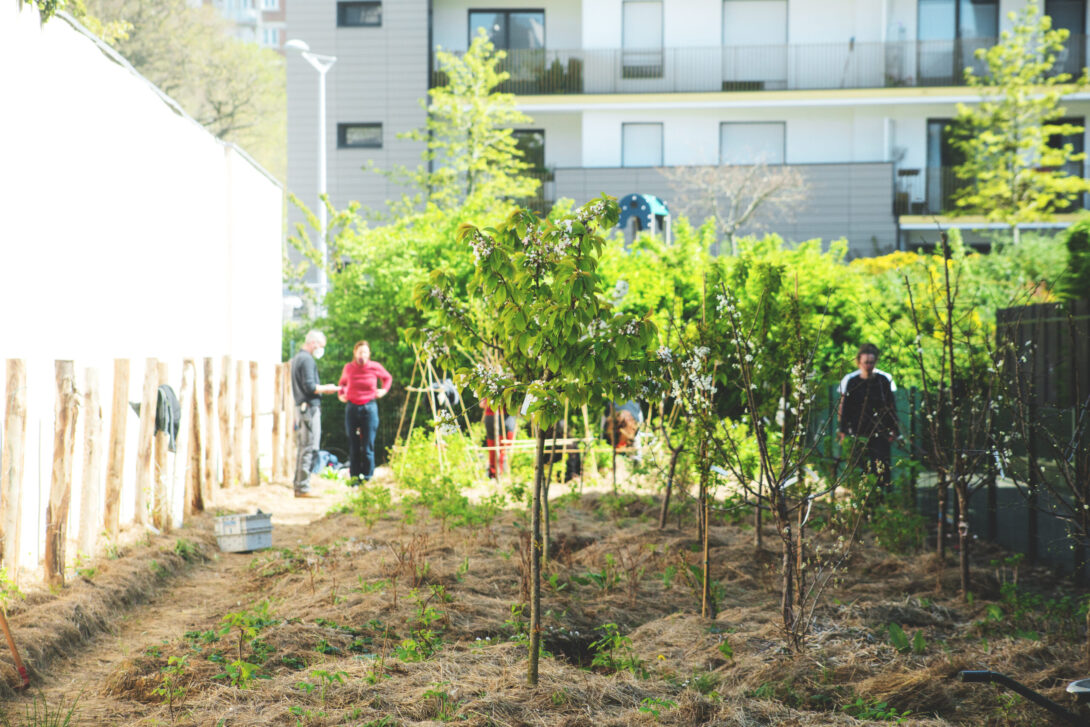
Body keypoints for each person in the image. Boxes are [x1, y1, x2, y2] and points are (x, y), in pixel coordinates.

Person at [838, 343, 899, 490]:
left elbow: (890, 407)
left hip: (880, 433)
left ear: (875, 362)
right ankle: (862, 503)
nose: (868, 365)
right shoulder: (852, 382)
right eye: (866, 362)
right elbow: (845, 408)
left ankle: (881, 500)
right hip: (858, 433)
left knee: (881, 467)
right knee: (860, 469)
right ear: (859, 362)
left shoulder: (883, 381)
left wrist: (894, 429)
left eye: (871, 362)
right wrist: (843, 430)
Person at [291, 330, 340, 497]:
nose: (321, 349)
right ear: (314, 343)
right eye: (321, 346)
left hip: (302, 408)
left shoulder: (298, 358)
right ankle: (303, 487)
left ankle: (299, 484)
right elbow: (310, 387)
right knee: (309, 447)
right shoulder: (306, 360)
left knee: (303, 447)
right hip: (309, 408)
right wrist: (329, 389)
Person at [338, 341, 392, 483]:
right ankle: (355, 477)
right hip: (352, 407)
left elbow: (387, 378)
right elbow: (342, 383)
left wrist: (384, 390)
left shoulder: (375, 367)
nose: (362, 355)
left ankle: (368, 477)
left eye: (365, 352)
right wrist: (342, 394)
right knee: (354, 444)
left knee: (368, 444)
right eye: (360, 352)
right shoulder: (349, 368)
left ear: (369, 354)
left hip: (369, 407)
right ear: (355, 353)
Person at [483, 399, 516, 479]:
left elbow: (482, 404)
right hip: (504, 416)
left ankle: (493, 473)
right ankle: (498, 474)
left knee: (492, 447)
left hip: (489, 416)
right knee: (503, 447)